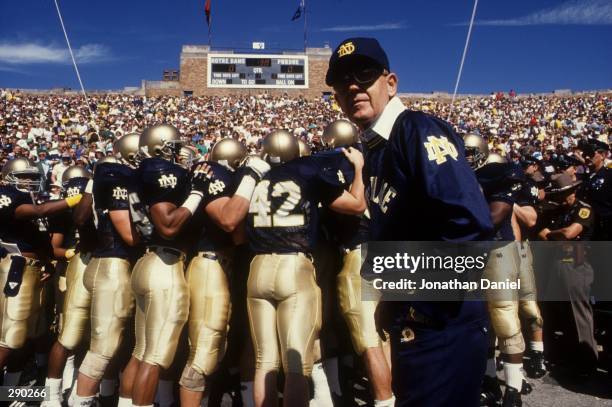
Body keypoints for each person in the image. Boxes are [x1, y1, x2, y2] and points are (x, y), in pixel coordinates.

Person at [326, 37, 493, 406]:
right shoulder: (377, 148)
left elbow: (468, 222)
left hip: (443, 321)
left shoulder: (414, 129)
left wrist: (422, 305)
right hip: (418, 321)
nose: (353, 85)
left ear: (391, 83)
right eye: (341, 81)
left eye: (364, 74)